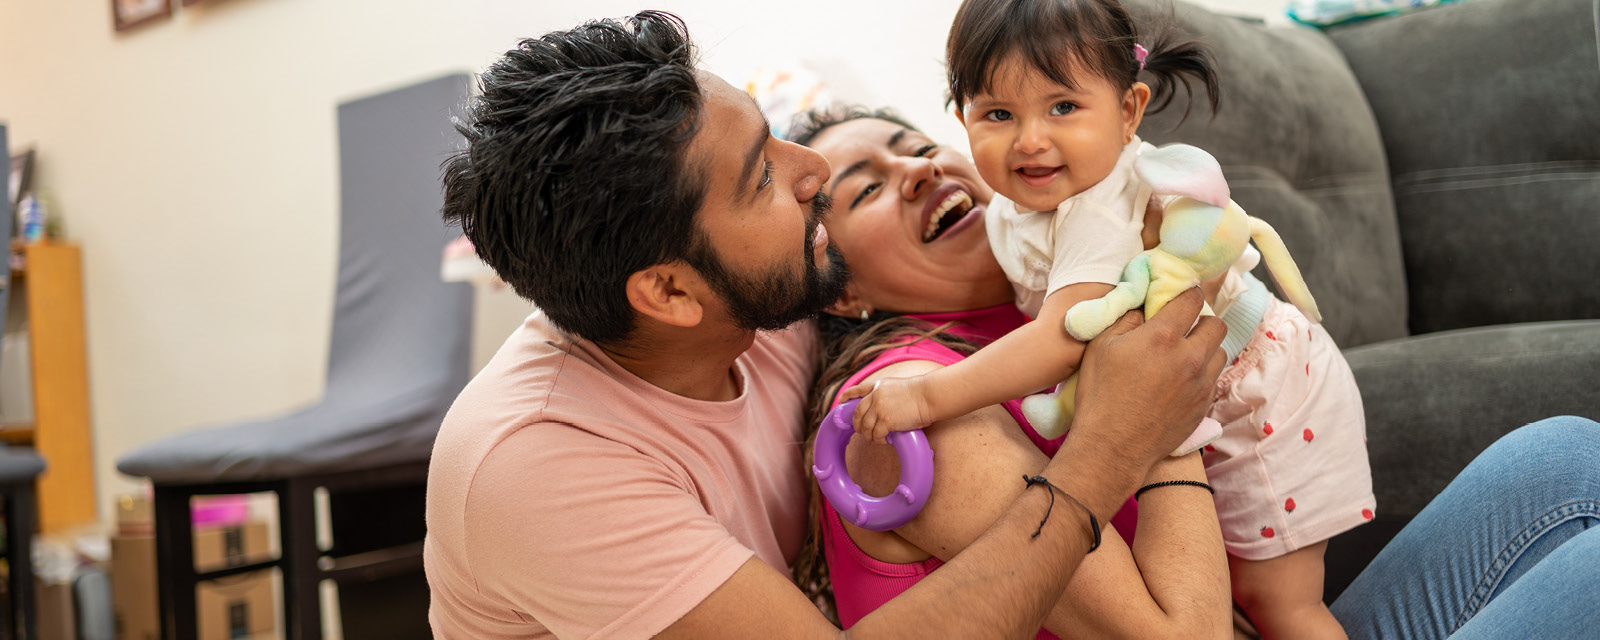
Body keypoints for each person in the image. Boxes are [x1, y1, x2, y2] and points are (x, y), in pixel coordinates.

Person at [422, 11, 1230, 639]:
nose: (812, 173)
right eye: (763, 174)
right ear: (668, 292)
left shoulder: (757, 296)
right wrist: (1125, 441)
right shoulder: (534, 466)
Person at [793, 106, 1600, 639]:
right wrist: (1146, 410)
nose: (919, 171)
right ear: (845, 293)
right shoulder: (907, 405)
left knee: (1566, 460)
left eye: (917, 145)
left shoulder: (1050, 299)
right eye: (867, 188)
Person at [837, 1, 1371, 635]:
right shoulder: (1018, 219)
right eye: (1000, 114)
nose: (1031, 137)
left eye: (1062, 106)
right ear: (965, 118)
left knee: (1281, 600)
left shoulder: (1093, 209)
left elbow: (1064, 340)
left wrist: (927, 398)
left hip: (1261, 387)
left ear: (1128, 112)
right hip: (1219, 396)